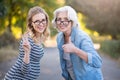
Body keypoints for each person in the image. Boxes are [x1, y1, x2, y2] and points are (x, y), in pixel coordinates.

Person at [52, 6, 103, 80]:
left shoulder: (82, 37)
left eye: (66, 19)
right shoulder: (60, 37)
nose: (62, 22)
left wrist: (75, 50)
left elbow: (97, 62)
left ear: (72, 21)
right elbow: (66, 64)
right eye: (59, 19)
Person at [4, 6, 49, 80]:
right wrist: (27, 52)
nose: (41, 23)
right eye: (37, 21)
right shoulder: (28, 40)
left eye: (43, 20)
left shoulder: (38, 38)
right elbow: (25, 70)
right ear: (31, 23)